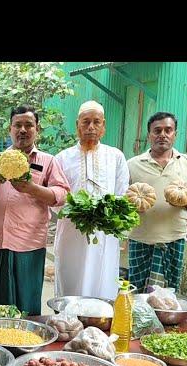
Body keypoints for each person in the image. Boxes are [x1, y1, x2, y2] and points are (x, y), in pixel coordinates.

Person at [0, 106, 70, 315]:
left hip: (30, 247)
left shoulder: (47, 161)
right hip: (0, 244)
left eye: (28, 125)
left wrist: (32, 188)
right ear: (10, 129)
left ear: (37, 129)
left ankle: (27, 346)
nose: (23, 130)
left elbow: (62, 195)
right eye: (18, 125)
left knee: (27, 306)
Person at [53, 100, 130, 300]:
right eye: (86, 122)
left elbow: (122, 195)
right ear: (77, 124)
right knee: (70, 282)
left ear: (104, 125)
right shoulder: (62, 158)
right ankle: (69, 324)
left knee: (103, 282)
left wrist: (107, 215)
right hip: (72, 232)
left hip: (105, 234)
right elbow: (55, 200)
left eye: (97, 122)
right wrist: (77, 211)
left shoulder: (116, 157)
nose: (91, 127)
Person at [127, 112, 187, 293]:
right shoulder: (132, 164)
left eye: (168, 130)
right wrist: (132, 203)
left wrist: (185, 202)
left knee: (170, 294)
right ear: (149, 135)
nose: (163, 134)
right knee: (138, 293)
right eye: (157, 130)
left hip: (174, 238)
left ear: (175, 134)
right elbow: (123, 199)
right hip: (140, 238)